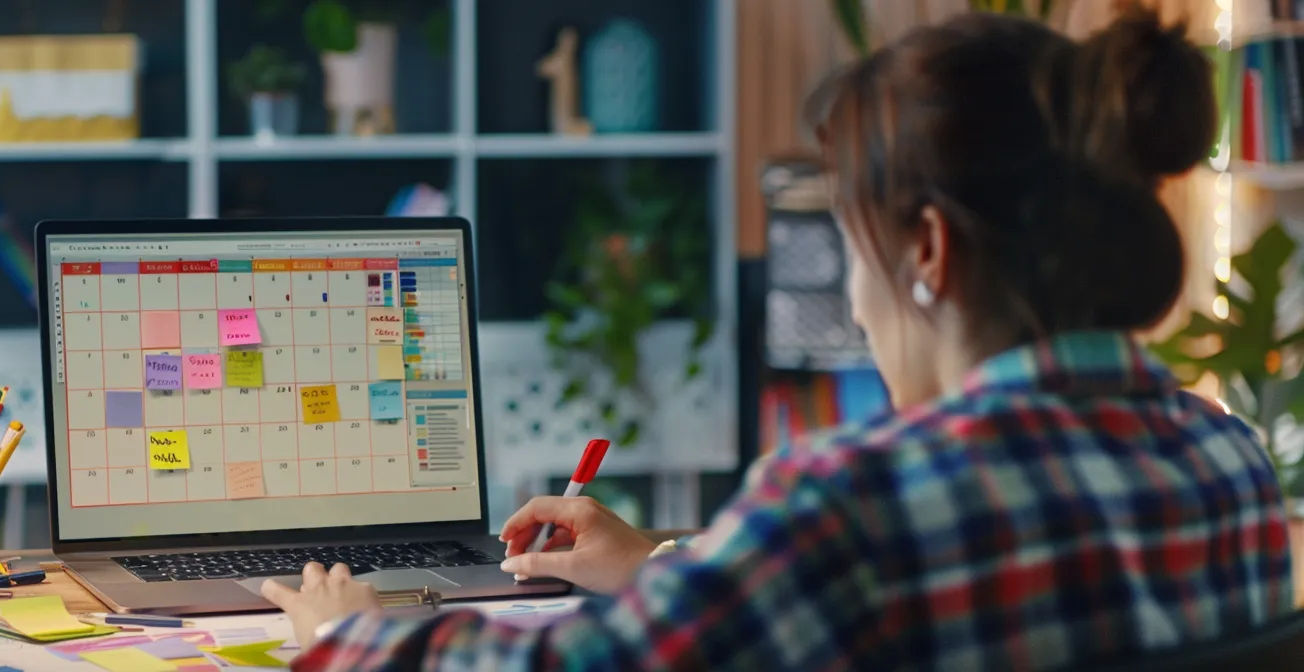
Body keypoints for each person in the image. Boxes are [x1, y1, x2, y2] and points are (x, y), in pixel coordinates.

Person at [261, 7, 1295, 670]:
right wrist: (655, 562)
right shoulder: (1220, 457)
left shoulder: (855, 502)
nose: (851, 297)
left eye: (850, 246)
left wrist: (350, 638)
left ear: (925, 251)